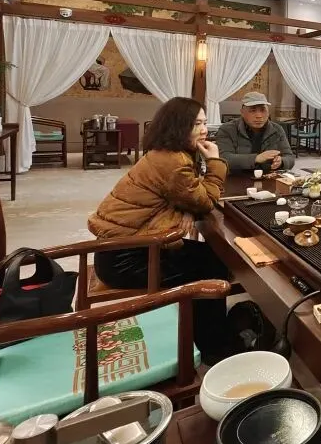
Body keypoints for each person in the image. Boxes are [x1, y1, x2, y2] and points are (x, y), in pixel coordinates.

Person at [88, 96, 234, 364]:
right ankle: (214, 347)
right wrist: (215, 162)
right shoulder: (173, 162)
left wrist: (187, 209)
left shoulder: (166, 153)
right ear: (178, 126)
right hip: (125, 260)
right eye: (196, 124)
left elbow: (188, 196)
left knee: (213, 256)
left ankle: (207, 333)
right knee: (211, 267)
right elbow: (205, 200)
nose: (204, 130)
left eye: (204, 123)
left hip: (124, 247)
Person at [214, 91, 295, 174]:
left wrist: (281, 161)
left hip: (268, 177)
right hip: (237, 177)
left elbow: (290, 157)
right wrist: (256, 158)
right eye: (253, 111)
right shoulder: (227, 129)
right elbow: (224, 159)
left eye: (263, 110)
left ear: (268, 113)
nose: (259, 116)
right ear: (242, 112)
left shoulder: (277, 129)